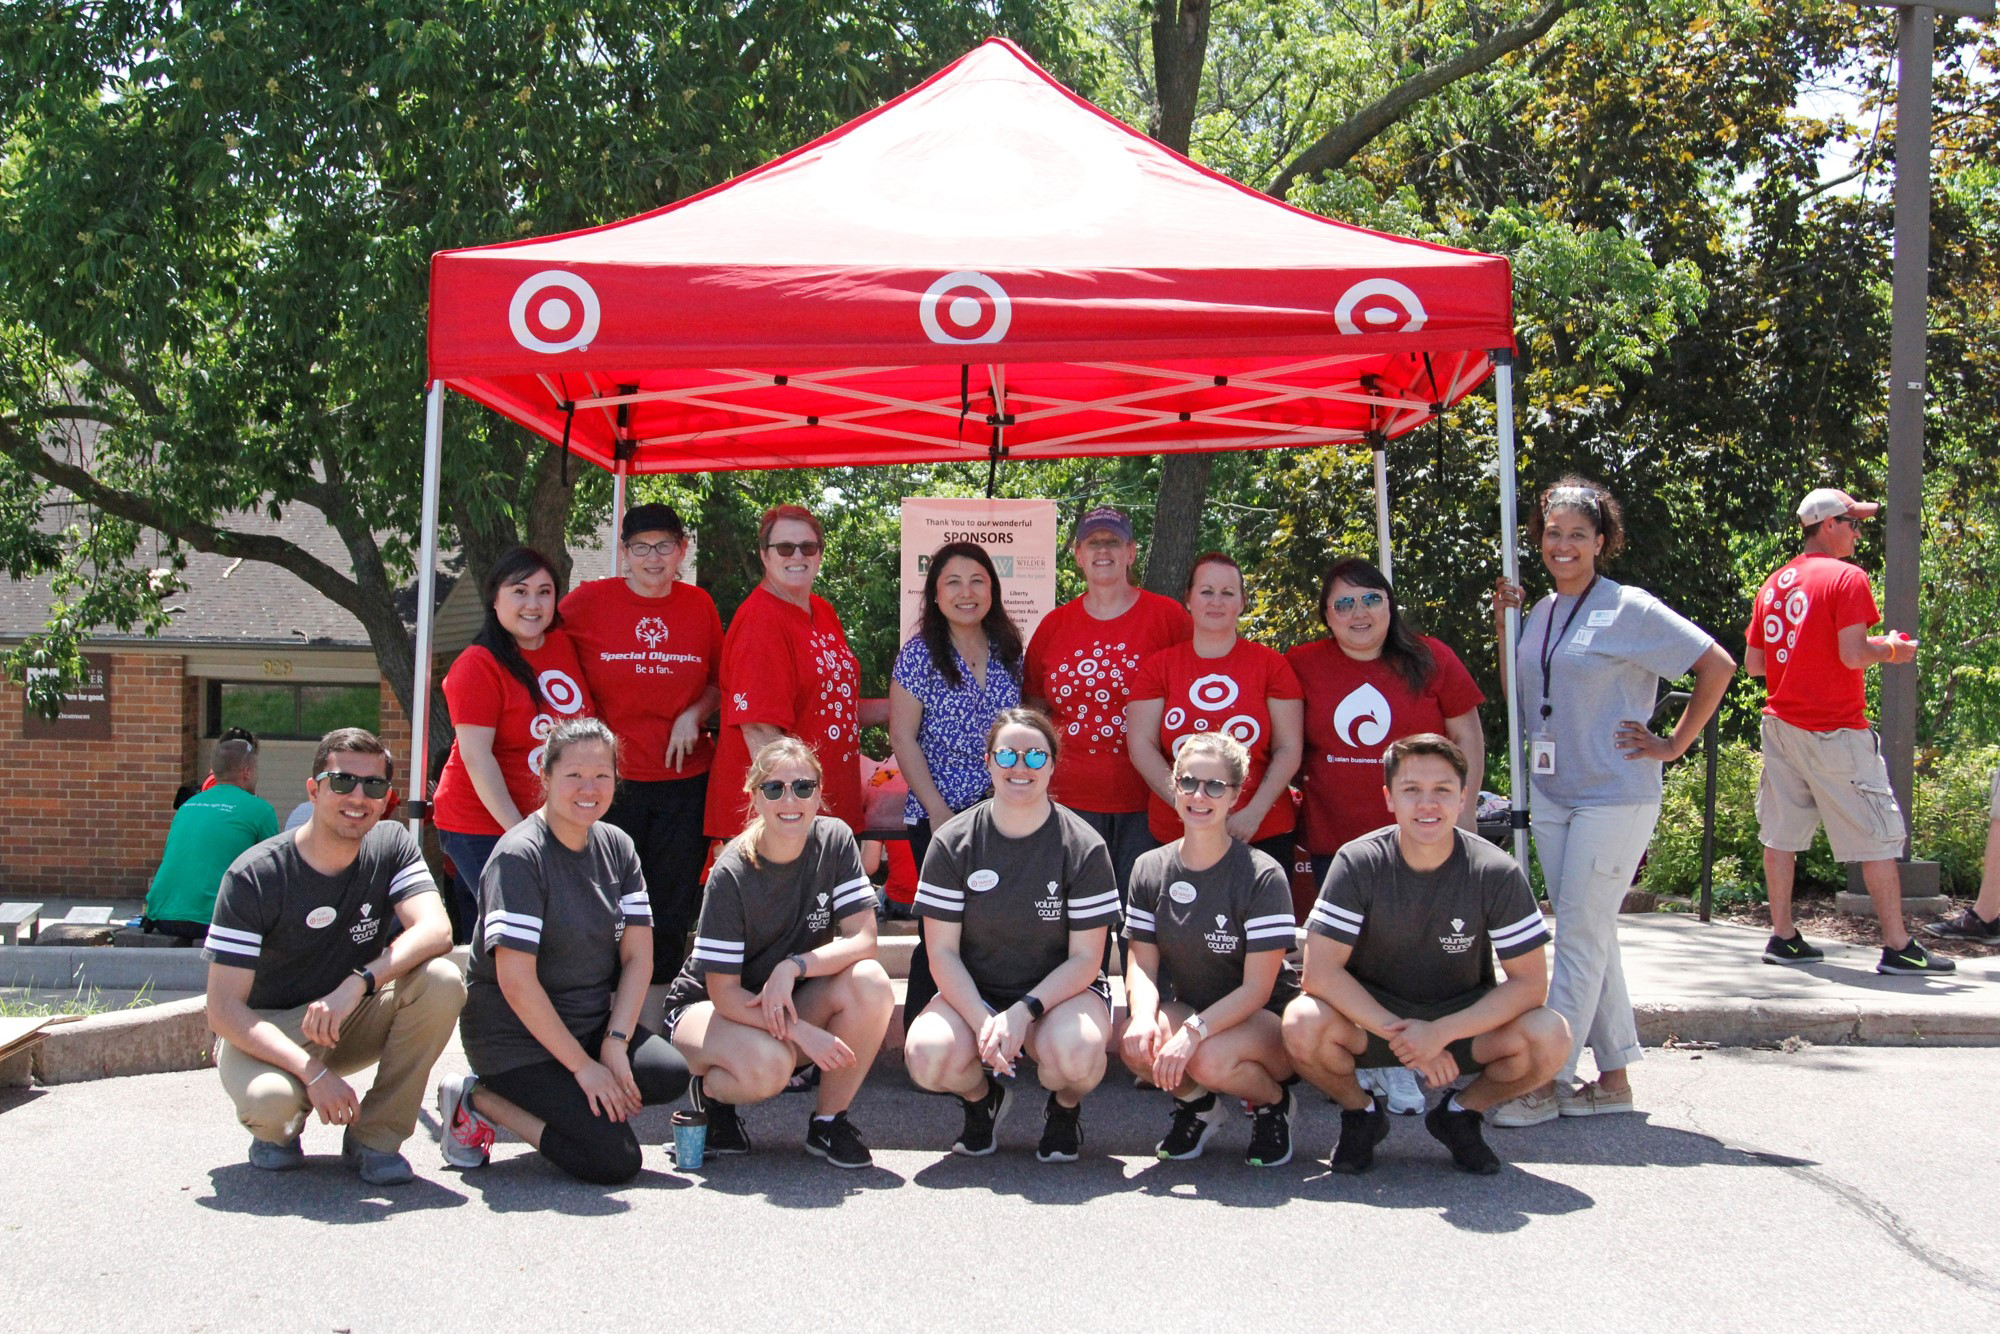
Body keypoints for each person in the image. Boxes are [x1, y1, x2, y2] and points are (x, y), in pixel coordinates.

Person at [1488, 477, 1736, 1126]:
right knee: (1592, 932)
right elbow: (1521, 694)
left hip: (1613, 796)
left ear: (1601, 541)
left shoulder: (1630, 607)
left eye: (1577, 534)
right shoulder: (1539, 611)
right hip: (1553, 792)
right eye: (1552, 533)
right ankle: (1615, 1077)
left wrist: (1674, 743)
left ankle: (1546, 1079)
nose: (1562, 545)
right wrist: (1502, 623)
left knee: (1575, 933)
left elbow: (1718, 666)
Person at [1281, 734, 1569, 1176]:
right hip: (1371, 1020)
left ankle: (1460, 1115)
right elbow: (1319, 974)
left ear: (1463, 797)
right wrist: (1407, 1038)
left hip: (1460, 1022)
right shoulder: (1358, 861)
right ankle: (1361, 1113)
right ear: (1389, 798)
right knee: (1302, 1023)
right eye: (1411, 790)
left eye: (1442, 790)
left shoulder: (1495, 871)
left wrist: (1439, 1034)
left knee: (1550, 1035)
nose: (1427, 804)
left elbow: (1531, 985)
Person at [204, 728, 463, 1186]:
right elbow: (223, 1009)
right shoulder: (255, 877)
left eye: (374, 786)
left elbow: (437, 929)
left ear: (387, 798)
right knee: (271, 1105)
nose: (358, 797)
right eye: (342, 782)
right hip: (269, 1028)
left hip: (346, 1014)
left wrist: (359, 982)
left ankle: (375, 1138)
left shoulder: (391, 844)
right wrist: (313, 1073)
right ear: (314, 790)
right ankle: (280, 1126)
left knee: (442, 981)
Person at [438, 718, 691, 1185]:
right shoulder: (520, 857)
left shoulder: (618, 846)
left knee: (667, 1073)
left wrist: (614, 1044)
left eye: (602, 775)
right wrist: (584, 1069)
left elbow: (640, 958)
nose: (588, 788)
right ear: (546, 777)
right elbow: (516, 983)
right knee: (613, 1162)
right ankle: (479, 1099)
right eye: (574, 775)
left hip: (588, 1025)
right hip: (514, 1041)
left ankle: (583, 1110)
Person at [1746, 488, 1954, 975]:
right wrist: (1891, 648)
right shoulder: (1848, 578)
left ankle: (1783, 936)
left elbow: (1757, 664)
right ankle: (1899, 947)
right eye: (1853, 522)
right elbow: (1854, 654)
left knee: (1780, 834)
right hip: (1835, 730)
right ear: (1828, 525)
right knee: (1878, 838)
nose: (1859, 532)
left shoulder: (1774, 583)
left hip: (1781, 725)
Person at [662, 738, 895, 1168]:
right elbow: (725, 993)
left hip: (787, 997)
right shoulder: (732, 870)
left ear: (819, 793)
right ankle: (711, 1096)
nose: (790, 800)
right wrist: (802, 1033)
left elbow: (864, 940)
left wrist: (793, 967)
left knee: (871, 982)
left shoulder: (836, 839)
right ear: (754, 796)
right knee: (771, 1066)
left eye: (803, 787)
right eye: (774, 789)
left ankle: (828, 1122)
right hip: (713, 1008)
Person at [904, 708, 1121, 1163]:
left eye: (1035, 757)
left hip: (1059, 994)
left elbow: (1087, 960)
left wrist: (1023, 1012)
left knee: (1076, 1056)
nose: (1020, 767)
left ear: (1053, 766)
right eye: (1006, 754)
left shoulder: (1083, 846)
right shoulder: (953, 842)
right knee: (927, 1057)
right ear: (988, 762)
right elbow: (941, 952)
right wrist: (984, 1020)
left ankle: (1064, 1110)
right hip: (976, 989)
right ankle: (982, 1100)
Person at [561, 502, 724, 981]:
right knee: (606, 903)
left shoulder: (699, 605)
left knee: (670, 907)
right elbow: (541, 652)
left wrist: (694, 714)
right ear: (624, 552)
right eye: (641, 548)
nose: (653, 558)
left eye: (665, 546)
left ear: (682, 550)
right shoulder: (587, 602)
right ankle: (601, 1011)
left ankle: (657, 1017)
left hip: (684, 779)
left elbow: (719, 682)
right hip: (611, 782)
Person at [1120, 733, 1300, 1166]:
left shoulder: (1261, 874)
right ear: (1175, 786)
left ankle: (1275, 1105)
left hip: (1265, 1021)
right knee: (1134, 1043)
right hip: (1199, 1010)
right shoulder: (1150, 867)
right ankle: (1200, 1109)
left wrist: (1192, 1033)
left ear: (1235, 795)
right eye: (1189, 783)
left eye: (1215, 786)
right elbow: (1142, 965)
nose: (1200, 796)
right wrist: (1143, 1017)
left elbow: (1257, 989)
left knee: (1210, 1059)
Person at [1287, 558, 1486, 917]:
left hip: (1424, 834)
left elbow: (1467, 735)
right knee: (1349, 954)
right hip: (1335, 844)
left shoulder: (1432, 657)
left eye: (1371, 599)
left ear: (1390, 606)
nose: (1359, 612)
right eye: (1344, 604)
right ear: (1327, 616)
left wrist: (1466, 810)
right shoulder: (1300, 664)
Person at [888, 540, 1024, 1021]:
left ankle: (993, 1027)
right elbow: (903, 738)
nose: (966, 592)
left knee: (995, 926)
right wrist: (940, 814)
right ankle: (924, 1033)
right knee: (942, 928)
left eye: (977, 580)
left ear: (992, 589)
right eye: (953, 582)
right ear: (935, 594)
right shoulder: (919, 655)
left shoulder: (1009, 649)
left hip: (1005, 813)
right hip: (939, 814)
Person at [1023, 506, 1192, 894]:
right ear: (1078, 554)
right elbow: (1033, 710)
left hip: (1150, 799)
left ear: (1131, 552)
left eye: (1113, 542)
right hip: (1068, 800)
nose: (1103, 551)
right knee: (1075, 920)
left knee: (1141, 921)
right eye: (1092, 543)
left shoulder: (1167, 617)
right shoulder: (1054, 625)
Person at [432, 546, 595, 944]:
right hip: (483, 822)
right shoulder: (477, 664)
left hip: (551, 821)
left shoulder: (562, 644)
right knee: (512, 931)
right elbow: (476, 756)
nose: (533, 604)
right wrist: (522, 834)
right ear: (494, 598)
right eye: (519, 592)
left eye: (544, 592)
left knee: (552, 927)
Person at [705, 504, 887, 842]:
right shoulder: (761, 621)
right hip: (782, 819)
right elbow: (760, 733)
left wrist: (900, 707)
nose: (797, 556)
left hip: (828, 810)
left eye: (808, 547)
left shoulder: (822, 610)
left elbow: (834, 707)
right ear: (764, 555)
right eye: (785, 547)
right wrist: (793, 811)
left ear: (819, 554)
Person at [1126, 551, 1304, 868]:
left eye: (1227, 593)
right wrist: (1186, 804)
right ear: (1189, 600)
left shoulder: (1272, 665)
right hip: (1176, 833)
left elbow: (1289, 747)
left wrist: (1253, 813)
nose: (1216, 601)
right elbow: (1141, 745)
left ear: (1242, 602)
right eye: (1206, 592)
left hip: (1258, 832)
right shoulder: (1160, 667)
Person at [142, 738, 278, 940]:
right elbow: (275, 872)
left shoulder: (187, 806)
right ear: (247, 772)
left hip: (161, 916)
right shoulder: (260, 810)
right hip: (214, 920)